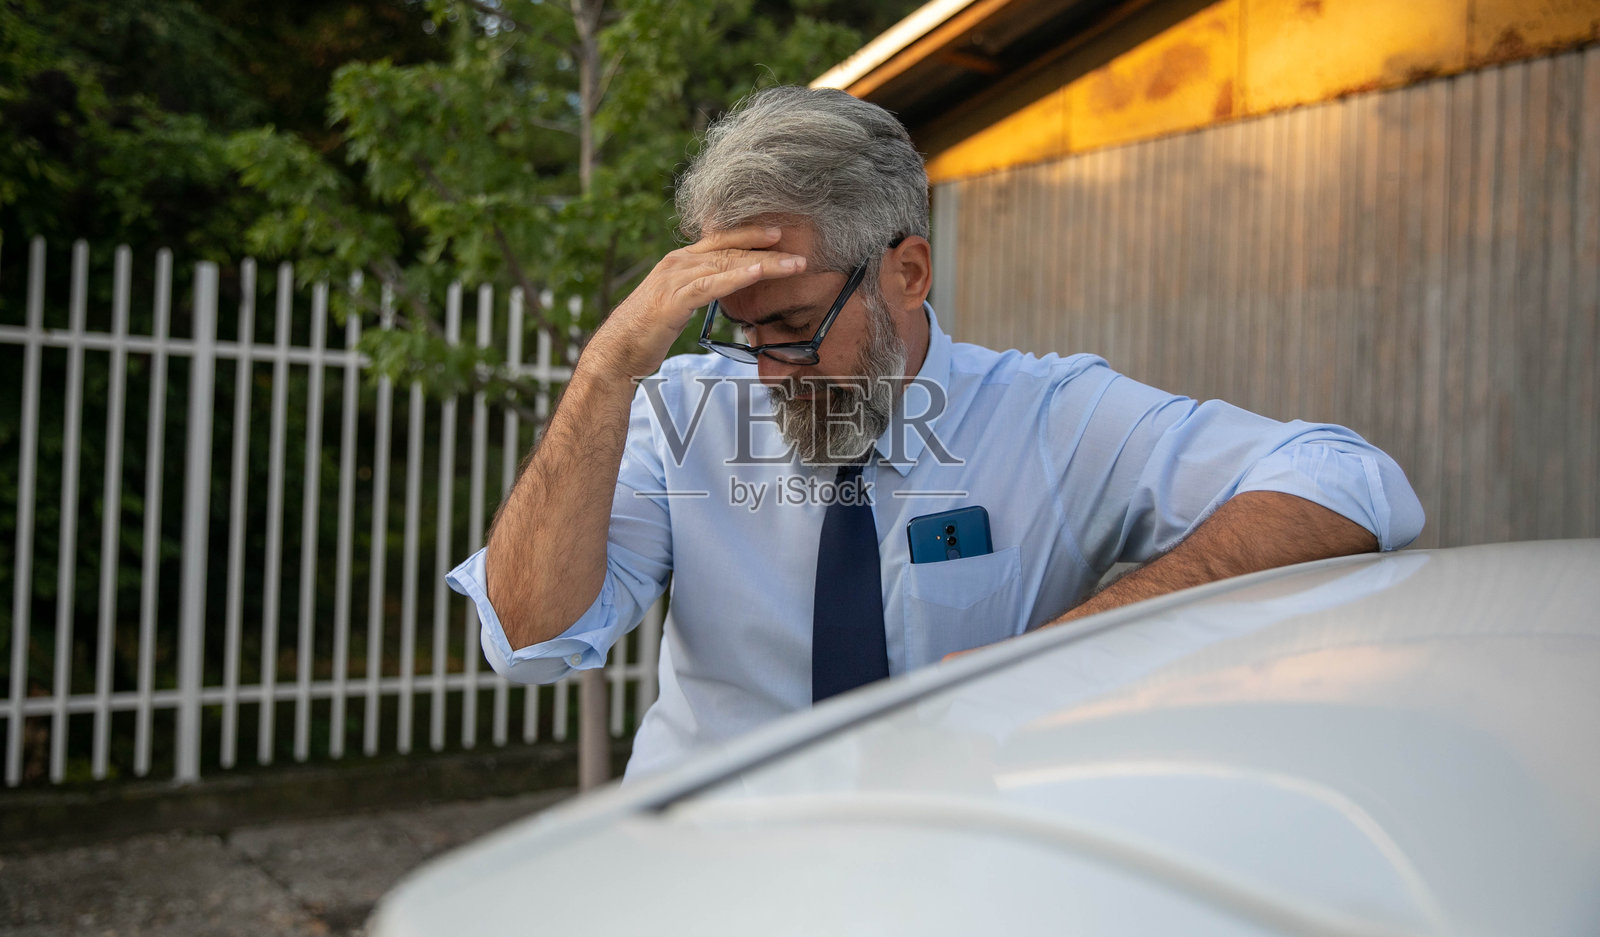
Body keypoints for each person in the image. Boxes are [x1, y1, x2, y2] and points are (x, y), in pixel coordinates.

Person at [448, 86, 1424, 781]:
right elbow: (530, 638)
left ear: (906, 273)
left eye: (793, 327)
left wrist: (1064, 650)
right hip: (707, 888)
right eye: (742, 334)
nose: (766, 371)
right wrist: (607, 368)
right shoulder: (683, 413)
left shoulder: (1049, 415)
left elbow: (1347, 479)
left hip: (955, 884)